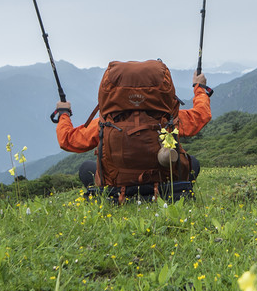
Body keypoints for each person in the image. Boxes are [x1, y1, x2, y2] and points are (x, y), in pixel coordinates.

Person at [53, 66, 213, 196]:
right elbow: (201, 115)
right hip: (165, 186)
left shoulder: (104, 123)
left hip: (116, 188)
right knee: (194, 163)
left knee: (85, 168)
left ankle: (110, 194)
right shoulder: (170, 120)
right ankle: (168, 191)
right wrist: (199, 88)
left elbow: (68, 140)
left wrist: (64, 114)